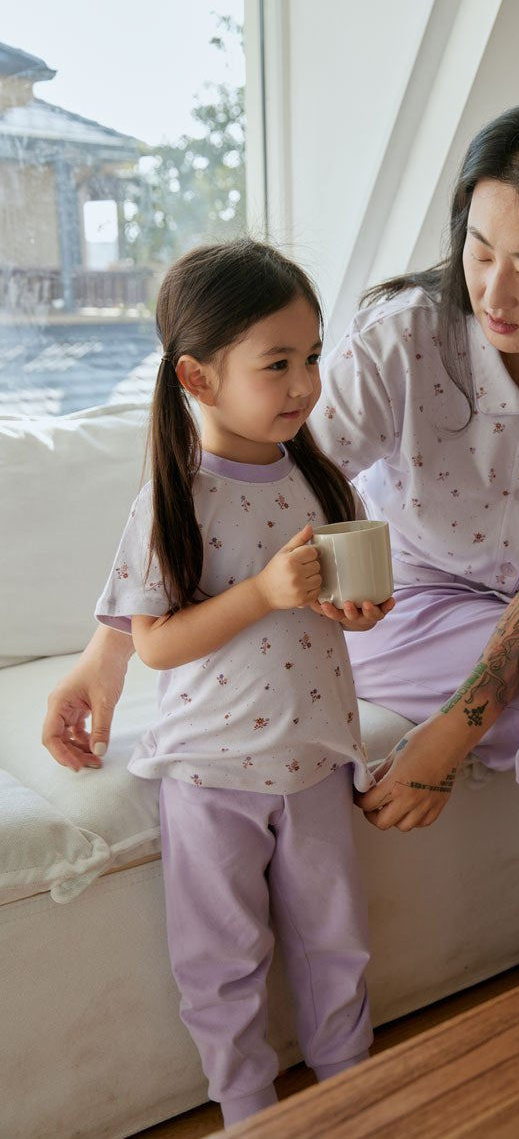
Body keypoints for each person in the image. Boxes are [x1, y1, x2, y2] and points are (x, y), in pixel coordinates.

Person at [43, 101, 519, 969]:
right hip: (408, 609)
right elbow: (231, 478)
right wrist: (108, 650)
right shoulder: (407, 335)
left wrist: (445, 742)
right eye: (480, 251)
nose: (493, 292)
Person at [55, 240, 393, 1127]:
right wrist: (262, 593)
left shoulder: (323, 483)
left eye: (312, 357)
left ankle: (350, 1089)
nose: (304, 384)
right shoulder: (176, 499)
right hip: (211, 776)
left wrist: (358, 611)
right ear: (199, 379)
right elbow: (156, 645)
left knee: (336, 945)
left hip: (315, 762)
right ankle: (248, 1110)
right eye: (276, 363)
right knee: (223, 958)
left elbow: (333, 609)